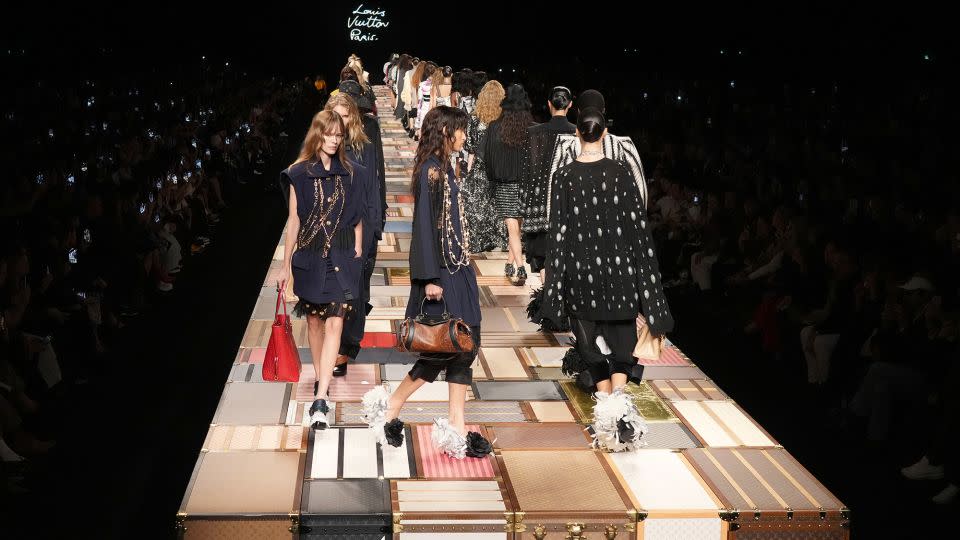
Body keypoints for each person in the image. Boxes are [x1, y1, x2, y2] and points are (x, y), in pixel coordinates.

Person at [539, 107, 674, 452]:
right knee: (623, 351)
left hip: (581, 275)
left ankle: (607, 412)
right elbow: (638, 233)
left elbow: (559, 235)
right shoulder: (621, 172)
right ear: (604, 133)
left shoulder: (565, 176)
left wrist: (554, 288)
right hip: (619, 275)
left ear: (577, 135)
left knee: (590, 350)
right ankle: (615, 406)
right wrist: (652, 296)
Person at [361, 106, 492, 460]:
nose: (464, 136)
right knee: (442, 348)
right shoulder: (432, 171)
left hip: (457, 268)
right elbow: (423, 227)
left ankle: (455, 426)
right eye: (460, 131)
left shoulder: (446, 167)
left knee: (466, 344)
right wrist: (430, 278)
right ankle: (392, 405)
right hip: (442, 274)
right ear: (446, 131)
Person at [274, 110, 368, 430]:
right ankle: (321, 379)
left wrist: (357, 248)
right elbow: (294, 221)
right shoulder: (298, 174)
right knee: (314, 323)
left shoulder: (352, 173)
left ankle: (322, 395)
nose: (333, 140)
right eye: (328, 134)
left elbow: (358, 215)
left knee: (335, 324)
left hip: (341, 259)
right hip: (310, 258)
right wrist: (285, 266)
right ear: (317, 134)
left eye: (338, 135)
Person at [324, 92, 383, 377]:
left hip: (358, 226)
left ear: (354, 117)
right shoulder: (321, 145)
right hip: (329, 228)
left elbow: (373, 186)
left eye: (346, 116)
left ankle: (345, 348)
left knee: (354, 289)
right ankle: (335, 344)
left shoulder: (364, 146)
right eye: (336, 115)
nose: (341, 121)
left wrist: (374, 226)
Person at [520, 86, 575, 279]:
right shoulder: (577, 135)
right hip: (568, 205)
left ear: (549, 104)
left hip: (540, 206)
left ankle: (546, 303)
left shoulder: (534, 133)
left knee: (542, 261)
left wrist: (524, 203)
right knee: (565, 258)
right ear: (570, 105)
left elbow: (528, 172)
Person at [483, 84, 535, 284]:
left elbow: (487, 157)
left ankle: (520, 267)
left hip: (504, 183)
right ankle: (509, 262)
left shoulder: (495, 127)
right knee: (516, 226)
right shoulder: (533, 129)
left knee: (512, 226)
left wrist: (492, 180)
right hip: (526, 184)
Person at [462, 80, 506, 253]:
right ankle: (496, 238)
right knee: (495, 205)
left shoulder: (474, 118)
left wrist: (468, 171)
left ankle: (479, 239)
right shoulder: (503, 119)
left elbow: (470, 148)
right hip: (499, 168)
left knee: (476, 205)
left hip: (480, 167)